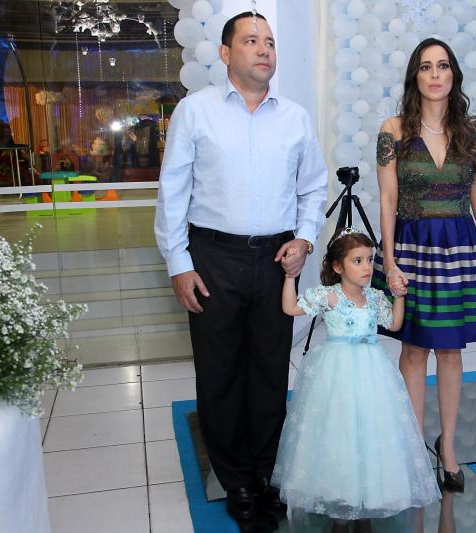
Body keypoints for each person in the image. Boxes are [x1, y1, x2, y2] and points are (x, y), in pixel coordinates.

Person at [154, 11, 328, 523]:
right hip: (213, 257)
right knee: (219, 373)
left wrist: (304, 238)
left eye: (270, 41)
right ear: (226, 53)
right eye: (251, 41)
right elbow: (172, 192)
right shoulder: (195, 111)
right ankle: (235, 480)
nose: (264, 49)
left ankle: (265, 471)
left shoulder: (294, 117)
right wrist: (179, 264)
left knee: (270, 371)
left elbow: (313, 187)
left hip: (277, 259)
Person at [373, 38, 476, 492]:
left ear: (454, 74)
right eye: (426, 67)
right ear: (414, 76)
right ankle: (414, 449)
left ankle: (447, 448)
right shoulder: (393, 130)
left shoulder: (474, 130)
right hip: (411, 247)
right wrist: (389, 259)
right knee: (414, 349)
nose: (435, 75)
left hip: (459, 248)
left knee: (451, 351)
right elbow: (388, 198)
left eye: (443, 66)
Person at [272, 228, 441, 520]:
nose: (366, 268)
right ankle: (338, 487)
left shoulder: (374, 297)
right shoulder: (329, 296)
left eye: (369, 260)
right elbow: (290, 308)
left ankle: (370, 487)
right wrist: (289, 277)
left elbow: (394, 324)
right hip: (336, 371)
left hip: (372, 369)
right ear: (338, 267)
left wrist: (399, 296)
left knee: (371, 423)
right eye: (357, 261)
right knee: (339, 424)